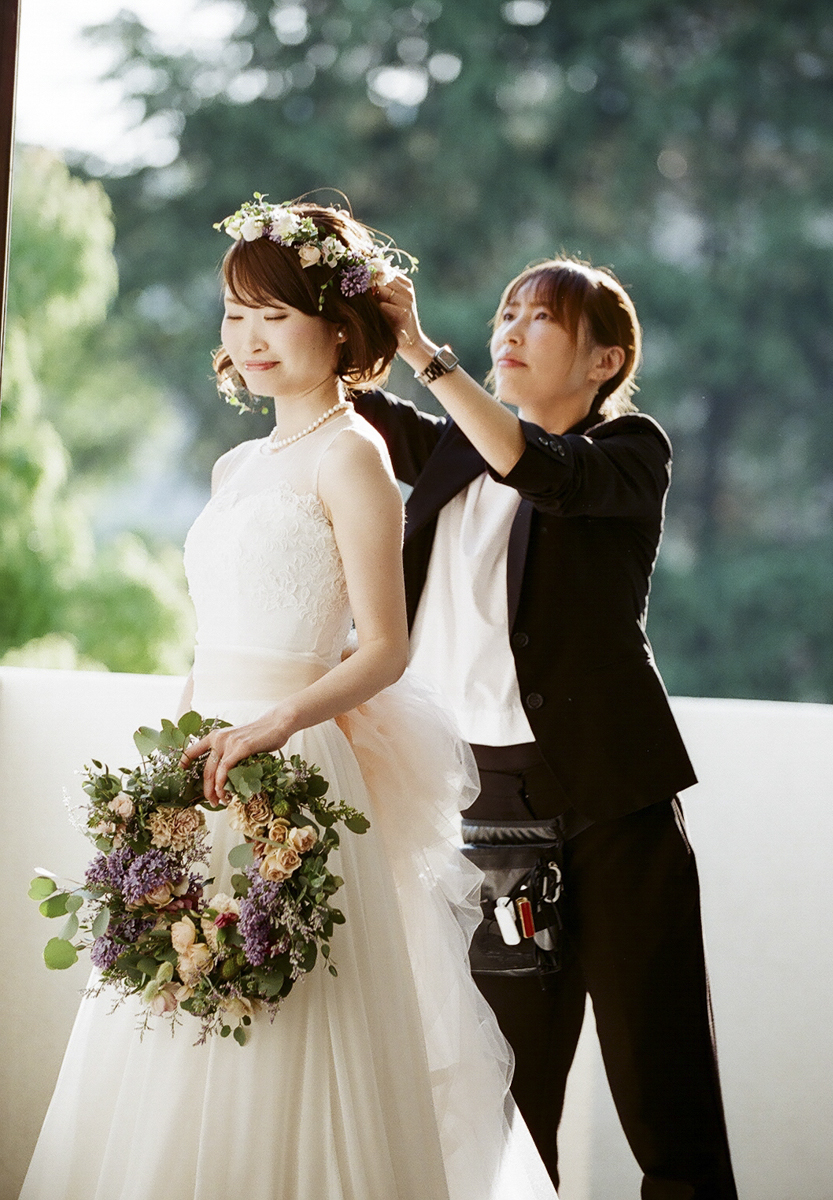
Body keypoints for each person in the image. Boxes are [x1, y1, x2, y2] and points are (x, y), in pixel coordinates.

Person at [19, 200, 558, 1200]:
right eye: (236, 315)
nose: (251, 337)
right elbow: (213, 636)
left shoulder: (354, 454)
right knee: (171, 1003)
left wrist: (275, 725)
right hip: (202, 767)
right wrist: (165, 770)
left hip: (295, 767)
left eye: (275, 314)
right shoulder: (236, 464)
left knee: (287, 1021)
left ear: (337, 327)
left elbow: (386, 649)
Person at [352, 258, 739, 1198]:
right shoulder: (453, 452)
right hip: (484, 810)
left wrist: (425, 353)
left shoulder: (630, 453)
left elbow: (543, 472)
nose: (511, 331)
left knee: (666, 1097)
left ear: (605, 361)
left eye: (541, 319)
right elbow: (343, 401)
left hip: (612, 810)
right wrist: (332, 298)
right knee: (509, 1110)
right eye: (507, 314)